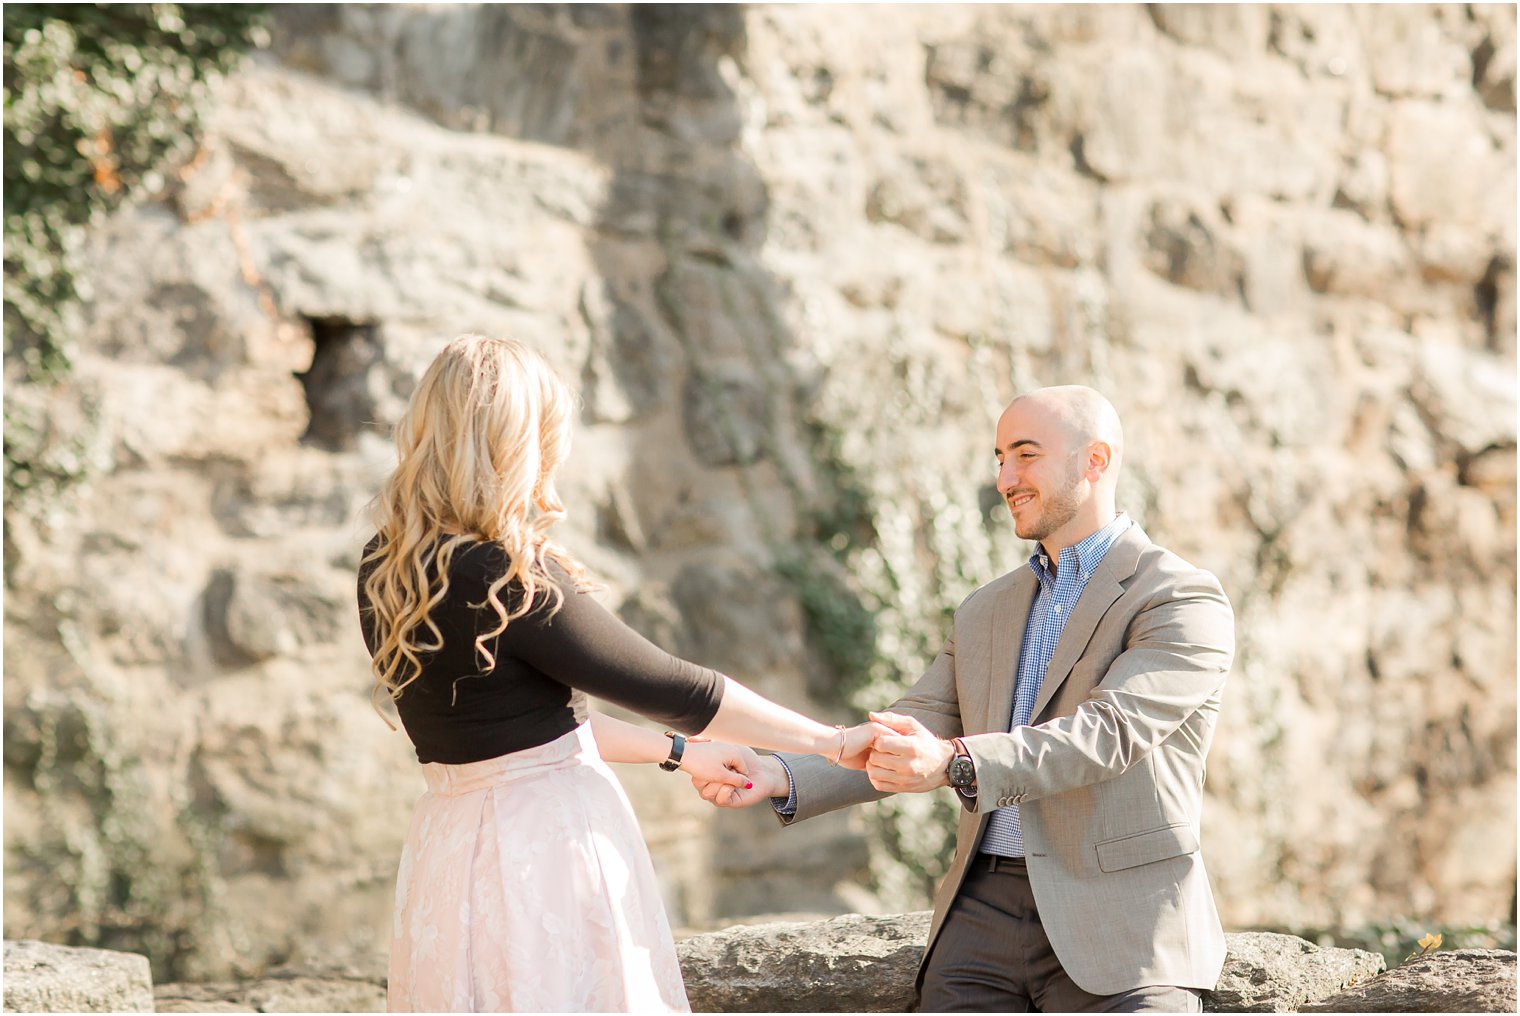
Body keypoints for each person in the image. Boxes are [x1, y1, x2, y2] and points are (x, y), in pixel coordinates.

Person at [356, 334, 883, 1013]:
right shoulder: (505, 577)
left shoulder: (389, 568)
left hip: (449, 849)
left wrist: (683, 754)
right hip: (539, 852)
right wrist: (833, 743)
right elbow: (678, 690)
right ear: (522, 442)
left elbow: (529, 731)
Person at [694, 386, 1235, 1013]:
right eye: (1000, 458)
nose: (1006, 478)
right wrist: (780, 772)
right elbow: (916, 726)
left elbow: (1106, 733)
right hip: (980, 917)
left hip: (1126, 922)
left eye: (1025, 455)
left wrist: (953, 763)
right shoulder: (987, 608)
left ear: (1097, 460)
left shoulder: (1179, 597)